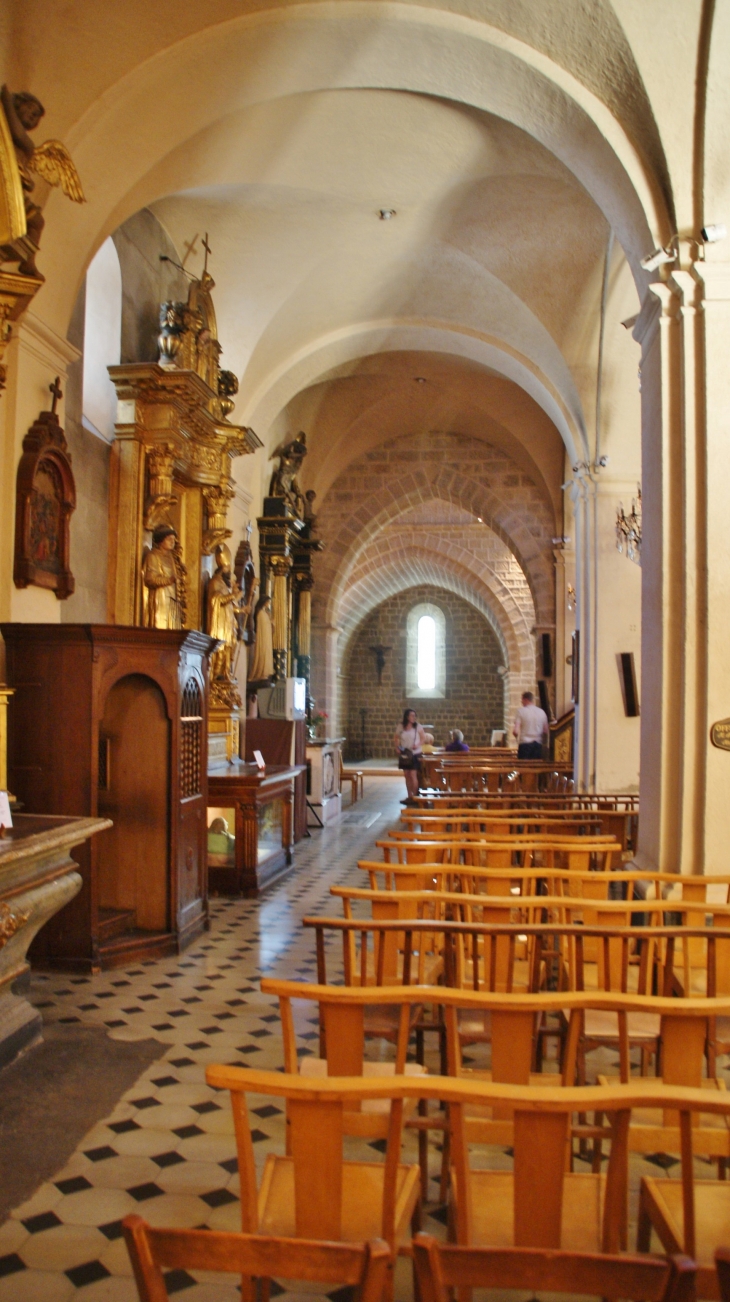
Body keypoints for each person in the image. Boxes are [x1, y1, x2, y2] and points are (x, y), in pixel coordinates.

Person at [394, 708, 431, 802]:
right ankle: (409, 795)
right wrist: (397, 747)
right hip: (405, 753)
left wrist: (417, 745)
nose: (414, 717)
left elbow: (423, 738)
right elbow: (396, 737)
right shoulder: (401, 726)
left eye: (415, 716)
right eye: (412, 715)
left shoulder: (418, 726)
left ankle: (415, 797)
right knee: (406, 775)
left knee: (413, 774)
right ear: (407, 716)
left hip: (415, 753)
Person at [512, 690, 549, 759]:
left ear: (525, 699)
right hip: (538, 744)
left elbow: (515, 731)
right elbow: (546, 731)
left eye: (522, 700)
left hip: (525, 744)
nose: (521, 702)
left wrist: (516, 737)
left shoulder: (520, 711)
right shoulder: (542, 712)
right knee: (535, 767)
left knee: (523, 768)